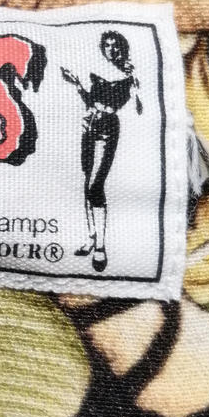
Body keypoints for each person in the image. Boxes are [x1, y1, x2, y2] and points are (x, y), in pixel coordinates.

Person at [61, 30, 142, 272]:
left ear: (123, 47)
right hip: (90, 127)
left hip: (107, 129)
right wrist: (76, 83)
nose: (111, 49)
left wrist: (137, 87)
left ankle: (101, 247)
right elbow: (90, 100)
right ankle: (91, 237)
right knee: (86, 182)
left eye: (115, 45)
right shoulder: (97, 69)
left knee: (96, 186)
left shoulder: (130, 73)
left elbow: (138, 108)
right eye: (107, 45)